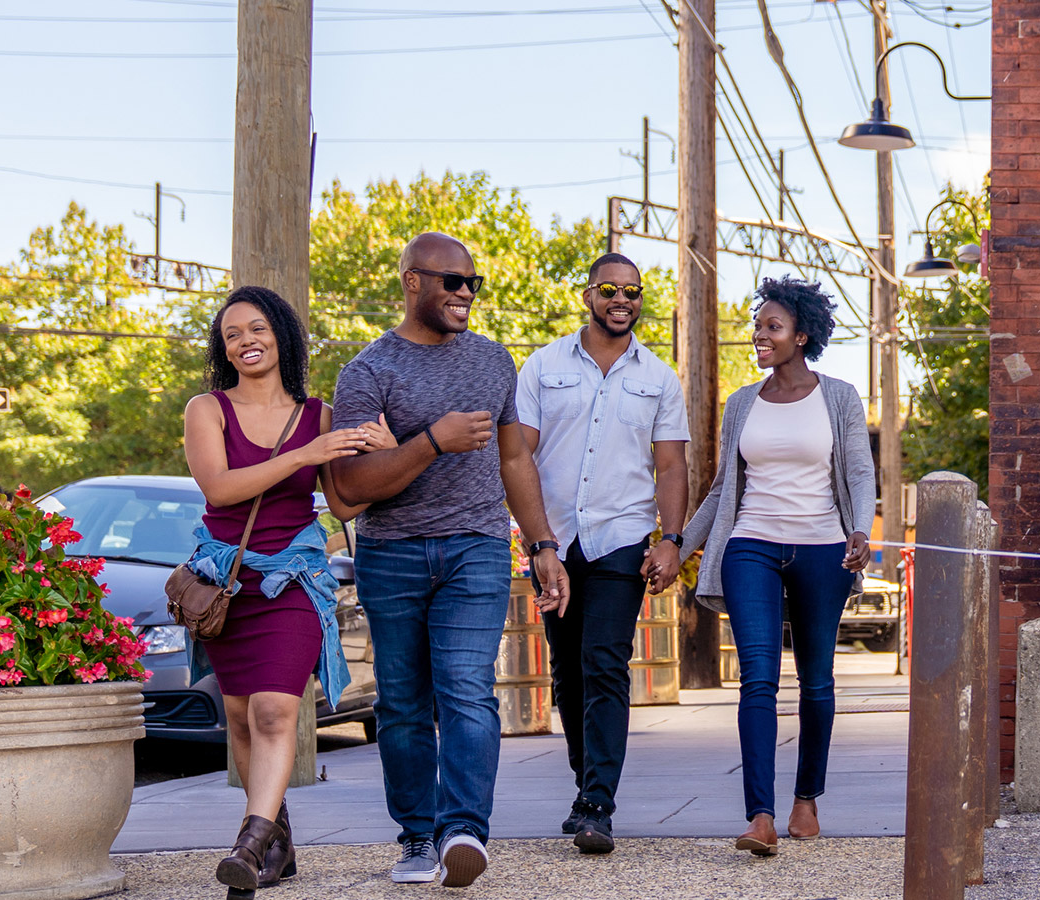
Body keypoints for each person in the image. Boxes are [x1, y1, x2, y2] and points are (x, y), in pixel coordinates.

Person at [329, 232, 570, 888]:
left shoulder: (494, 361)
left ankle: (463, 829)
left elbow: (514, 457)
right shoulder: (368, 371)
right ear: (412, 283)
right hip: (392, 553)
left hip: (477, 547)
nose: (466, 293)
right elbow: (349, 491)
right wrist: (430, 443)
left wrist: (543, 545)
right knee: (404, 703)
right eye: (452, 282)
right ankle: (415, 836)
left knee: (468, 690)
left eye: (473, 283)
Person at [182, 285, 394, 898]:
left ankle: (247, 844)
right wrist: (307, 452)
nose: (246, 341)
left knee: (276, 711)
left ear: (281, 334)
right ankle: (276, 840)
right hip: (225, 581)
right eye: (232, 335)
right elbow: (220, 489)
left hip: (296, 579)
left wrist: (384, 450)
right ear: (225, 350)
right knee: (242, 719)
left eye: (256, 329)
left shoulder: (320, 416)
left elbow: (347, 498)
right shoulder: (208, 409)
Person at [653, 275, 874, 857]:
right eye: (757, 326)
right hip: (750, 543)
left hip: (824, 547)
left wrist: (860, 532)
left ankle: (806, 800)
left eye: (771, 327)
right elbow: (724, 487)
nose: (759, 336)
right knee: (757, 677)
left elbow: (857, 471)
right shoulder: (742, 403)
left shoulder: (841, 397)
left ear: (801, 335)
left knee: (817, 681)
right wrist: (677, 542)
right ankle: (760, 816)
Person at [515, 252, 689, 854]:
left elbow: (671, 464)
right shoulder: (541, 366)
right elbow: (521, 458)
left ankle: (597, 804)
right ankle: (585, 786)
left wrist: (671, 539)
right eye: (611, 289)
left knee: (604, 664)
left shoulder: (659, 378)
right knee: (567, 673)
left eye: (634, 291)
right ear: (588, 294)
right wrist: (539, 544)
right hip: (555, 541)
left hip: (621, 538)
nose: (623, 299)